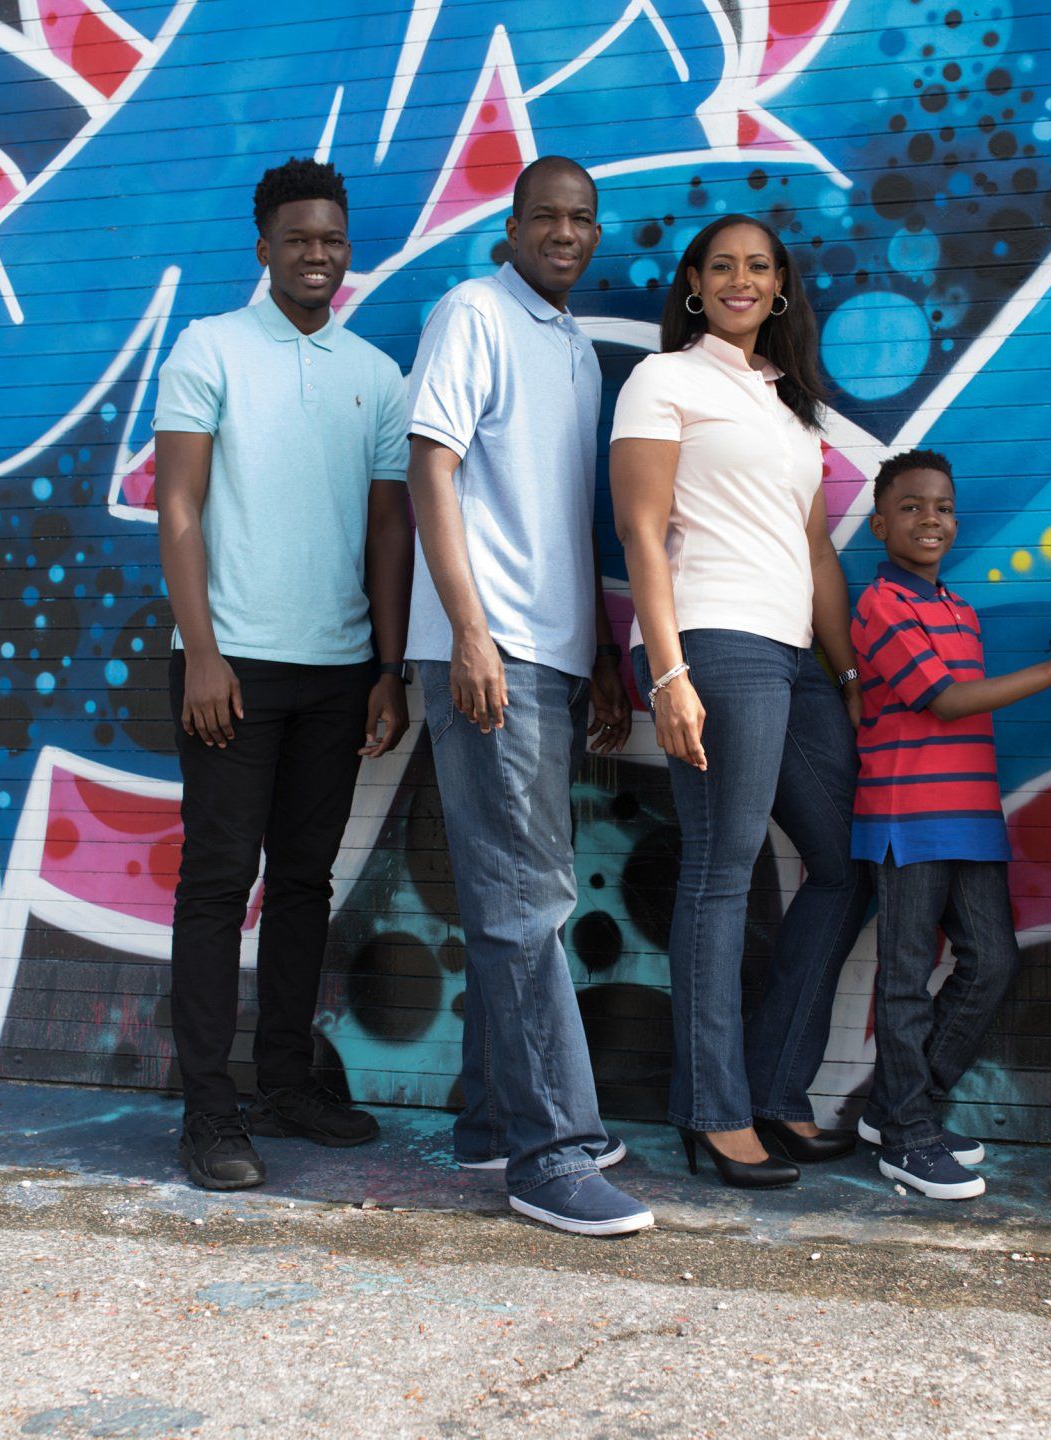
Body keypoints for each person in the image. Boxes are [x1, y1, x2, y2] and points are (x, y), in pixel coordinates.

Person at [154, 159, 413, 1190]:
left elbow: (391, 533)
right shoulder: (209, 349)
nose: (319, 255)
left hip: (339, 674)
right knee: (220, 885)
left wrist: (388, 670)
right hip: (233, 670)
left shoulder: (376, 374)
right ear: (264, 249)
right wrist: (204, 652)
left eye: (333, 240)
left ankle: (287, 1085)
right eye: (299, 239)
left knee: (305, 883)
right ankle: (209, 1114)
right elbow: (179, 509)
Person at [405, 156, 648, 1237]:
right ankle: (550, 1157)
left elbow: (560, 519)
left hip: (546, 654)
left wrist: (597, 650)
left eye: (581, 218)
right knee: (527, 902)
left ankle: (492, 1121)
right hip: (487, 650)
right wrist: (468, 631)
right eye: (544, 215)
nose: (565, 231)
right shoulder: (472, 311)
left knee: (513, 895)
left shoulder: (574, 353)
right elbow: (429, 467)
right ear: (510, 226)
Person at [610, 214, 873, 1190]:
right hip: (715, 645)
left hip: (798, 659)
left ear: (780, 287)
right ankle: (712, 1110)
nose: (740, 280)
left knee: (848, 863)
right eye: (721, 266)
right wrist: (667, 673)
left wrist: (848, 679)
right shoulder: (664, 380)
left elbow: (816, 555)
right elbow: (639, 530)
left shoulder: (786, 405)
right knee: (724, 873)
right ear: (692, 283)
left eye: (758, 267)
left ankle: (771, 1085)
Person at [849, 451, 1051, 1200]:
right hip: (909, 815)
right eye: (910, 506)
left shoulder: (960, 609)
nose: (928, 518)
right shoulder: (880, 604)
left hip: (970, 815)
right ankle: (905, 1136)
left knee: (992, 963)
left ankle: (897, 1105)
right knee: (904, 979)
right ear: (879, 523)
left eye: (941, 506)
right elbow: (944, 701)